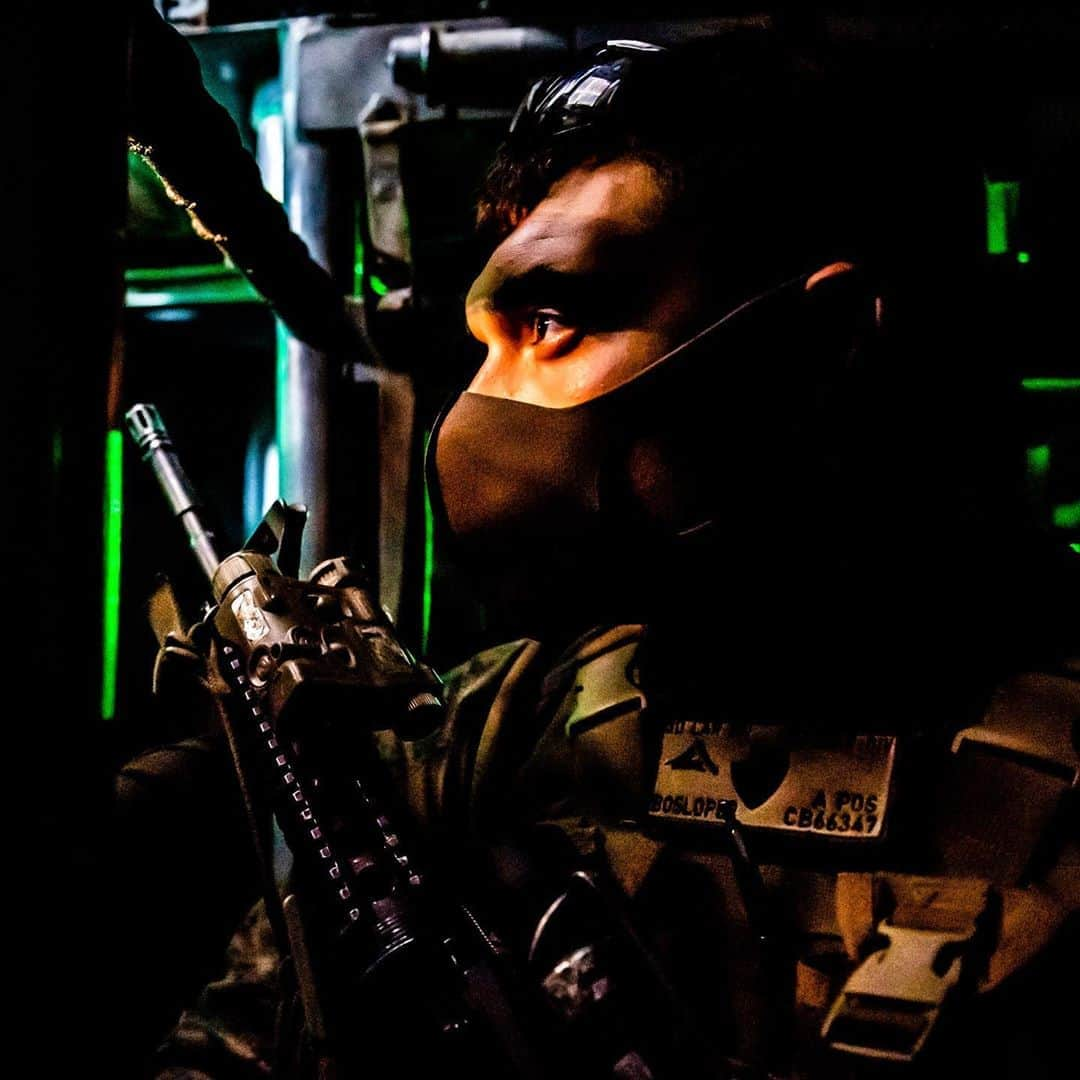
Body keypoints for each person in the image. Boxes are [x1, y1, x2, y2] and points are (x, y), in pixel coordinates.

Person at [137, 37, 1078, 1080]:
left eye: (552, 321)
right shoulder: (498, 732)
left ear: (824, 341)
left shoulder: (1055, 773)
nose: (482, 411)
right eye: (489, 340)